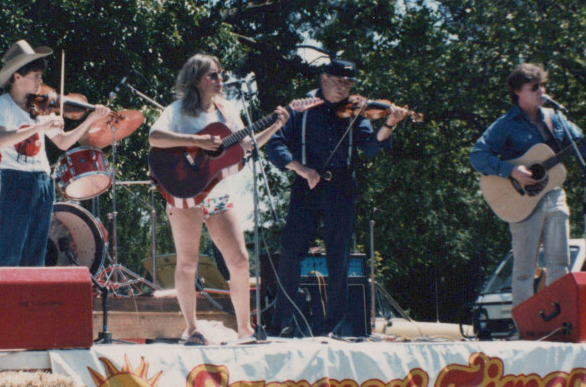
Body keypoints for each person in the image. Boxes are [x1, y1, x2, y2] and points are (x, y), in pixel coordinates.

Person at [149, 53, 288, 344]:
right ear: (196, 79)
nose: (220, 79)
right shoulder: (177, 110)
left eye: (221, 74)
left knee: (239, 261)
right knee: (187, 263)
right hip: (184, 195)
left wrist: (274, 126)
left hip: (219, 194)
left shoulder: (226, 111)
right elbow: (155, 138)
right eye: (213, 75)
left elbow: (245, 146)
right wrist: (197, 141)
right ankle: (191, 329)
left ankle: (244, 329)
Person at [265, 59, 406, 338]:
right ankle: (281, 321)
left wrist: (390, 122)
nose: (344, 88)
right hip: (306, 184)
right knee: (291, 252)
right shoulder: (302, 107)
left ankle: (336, 328)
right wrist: (300, 168)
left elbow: (370, 147)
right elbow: (275, 142)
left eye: (349, 83)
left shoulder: (356, 110)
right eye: (339, 82)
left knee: (339, 255)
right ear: (324, 79)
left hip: (341, 185)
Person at [470, 62, 586, 312]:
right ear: (517, 92)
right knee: (524, 268)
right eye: (534, 87)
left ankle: (560, 320)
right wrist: (512, 170)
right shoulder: (505, 124)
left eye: (543, 85)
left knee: (560, 263)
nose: (541, 91)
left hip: (554, 194)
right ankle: (525, 324)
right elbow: (477, 155)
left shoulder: (556, 118)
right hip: (521, 201)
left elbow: (582, 148)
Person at [0, 40, 110, 267]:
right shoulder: (1, 105)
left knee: (37, 249)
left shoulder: (38, 107)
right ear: (17, 76)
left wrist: (91, 119)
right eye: (36, 75)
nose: (40, 81)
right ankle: (4, 300)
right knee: (11, 248)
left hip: (43, 180)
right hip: (16, 178)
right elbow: (0, 139)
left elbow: (64, 143)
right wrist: (39, 127)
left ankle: (29, 300)